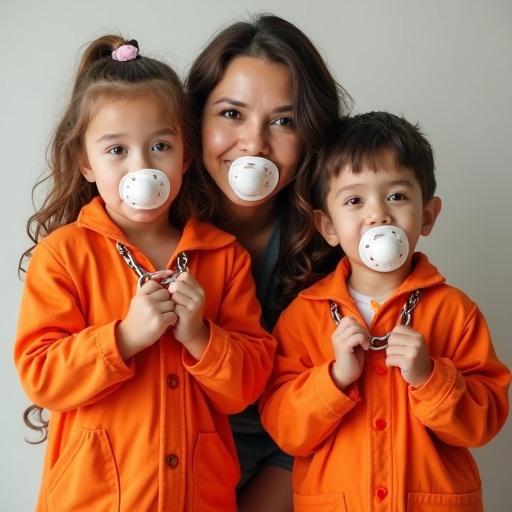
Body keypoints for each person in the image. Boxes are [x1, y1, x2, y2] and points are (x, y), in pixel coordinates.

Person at [14, 35, 275, 512]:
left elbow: (248, 387)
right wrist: (124, 338)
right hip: (93, 500)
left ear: (185, 156)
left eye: (160, 145)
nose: (142, 166)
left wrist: (201, 337)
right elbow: (42, 375)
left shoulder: (224, 257)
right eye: (117, 150)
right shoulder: (64, 256)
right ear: (84, 162)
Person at [260, 112, 511, 511]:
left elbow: (483, 423)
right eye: (355, 200)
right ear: (328, 226)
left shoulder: (456, 312)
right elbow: (284, 429)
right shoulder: (304, 317)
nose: (378, 214)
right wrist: (335, 378)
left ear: (427, 215)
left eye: (396, 196)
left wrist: (430, 377)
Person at [179, 14, 352, 511]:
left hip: (280, 481)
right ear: (196, 119)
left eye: (283, 121)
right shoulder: (149, 233)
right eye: (231, 114)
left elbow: (324, 405)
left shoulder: (334, 246)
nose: (254, 143)